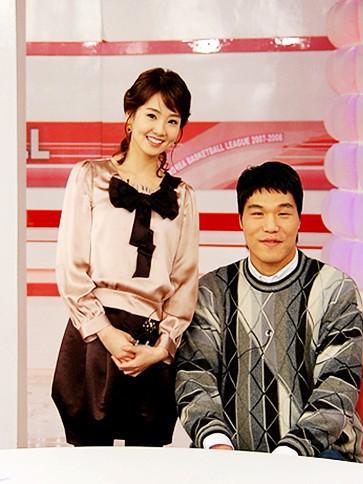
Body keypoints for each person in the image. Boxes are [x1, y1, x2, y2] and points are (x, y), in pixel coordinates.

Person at [175, 161, 363, 461]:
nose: (271, 226)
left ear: (299, 219)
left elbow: (338, 385)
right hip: (229, 456)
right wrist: (216, 442)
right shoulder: (211, 290)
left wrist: (289, 453)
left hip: (318, 455)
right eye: (258, 213)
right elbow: (195, 373)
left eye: (283, 213)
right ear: (241, 220)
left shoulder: (335, 289)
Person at [52, 67, 199, 447]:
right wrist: (104, 332)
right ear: (130, 116)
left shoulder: (183, 196)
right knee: (90, 461)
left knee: (147, 462)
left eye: (172, 120)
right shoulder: (90, 177)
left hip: (151, 341)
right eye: (152, 115)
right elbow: (71, 267)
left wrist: (162, 348)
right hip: (95, 333)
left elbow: (184, 281)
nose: (160, 129)